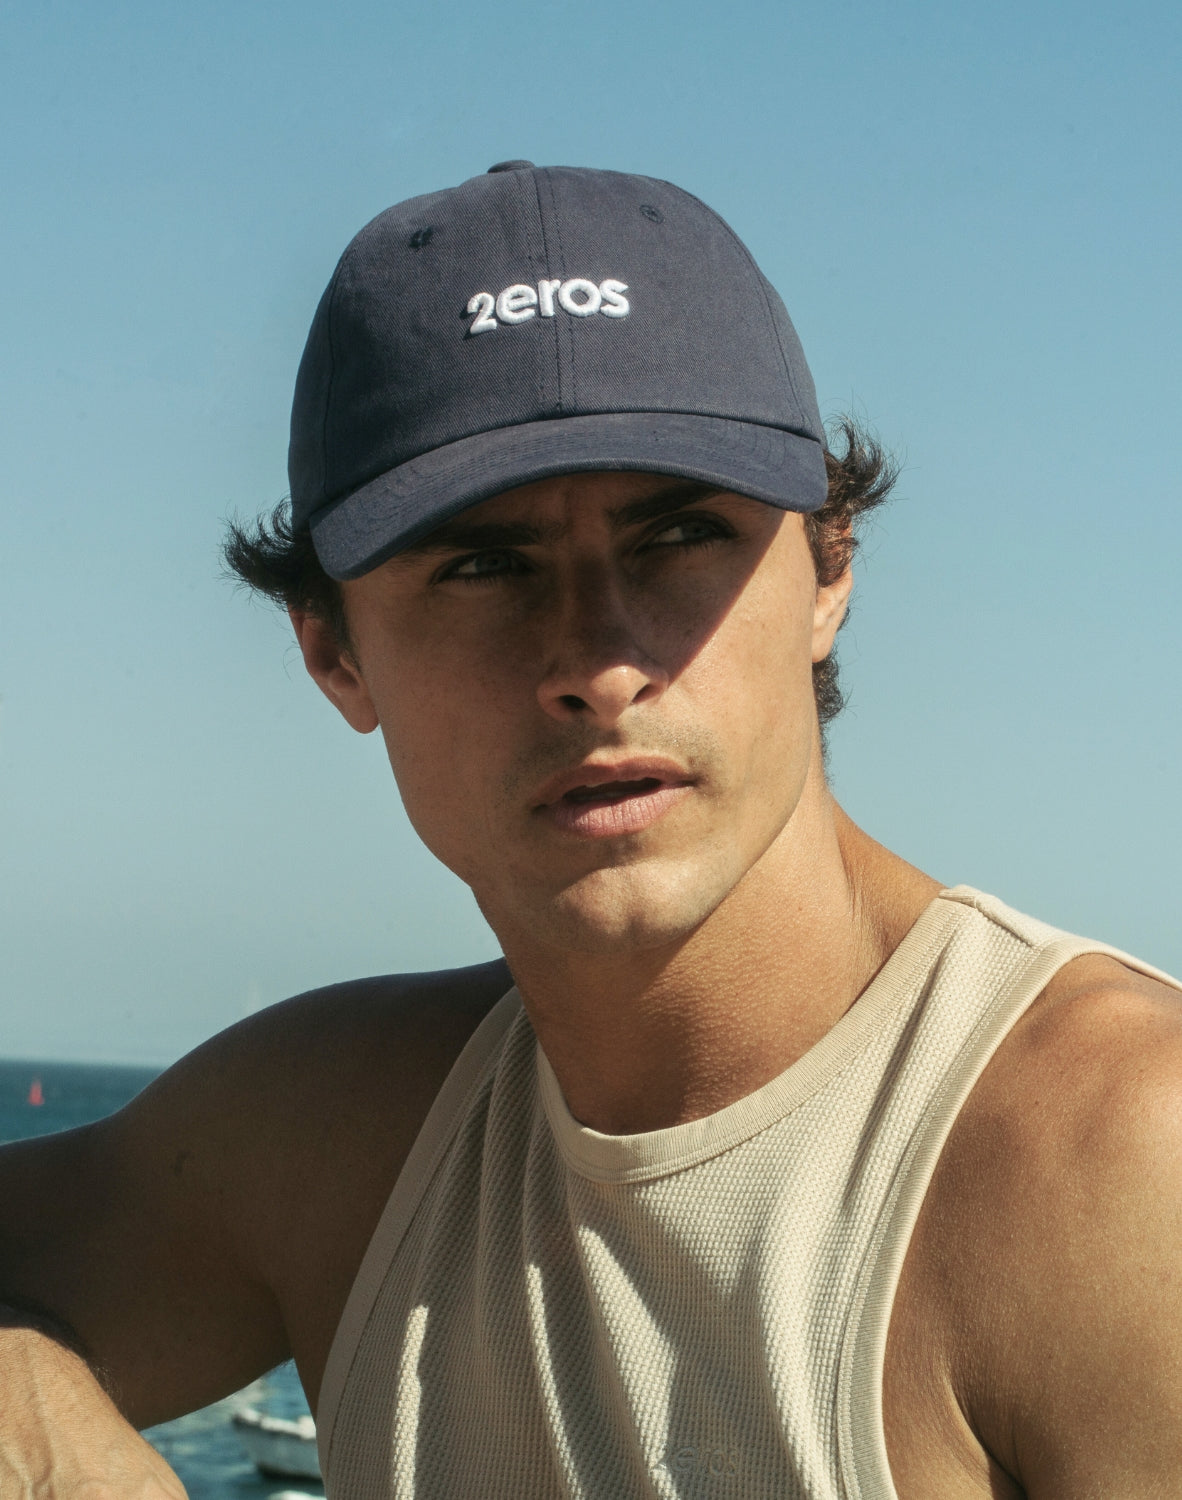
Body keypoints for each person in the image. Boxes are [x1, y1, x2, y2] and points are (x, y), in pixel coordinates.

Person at [2, 161, 1180, 1500]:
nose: (598, 662)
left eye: (678, 536)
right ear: (332, 650)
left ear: (828, 571)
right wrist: (31, 1409)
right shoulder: (344, 1134)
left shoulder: (1115, 1160)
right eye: (484, 564)